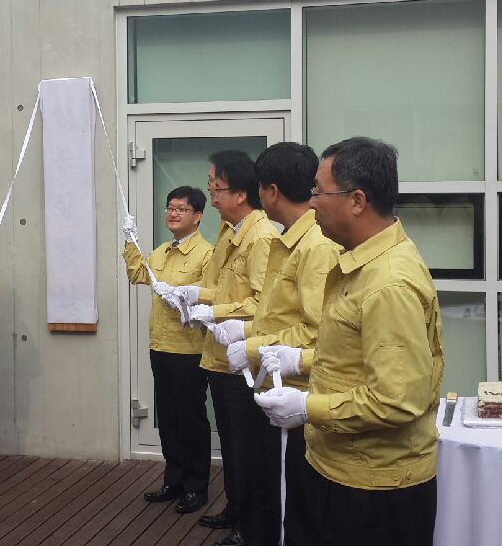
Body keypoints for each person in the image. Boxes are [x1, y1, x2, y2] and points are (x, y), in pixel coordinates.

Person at [255, 137, 444, 546]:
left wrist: (306, 407)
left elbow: (396, 399)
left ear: (357, 200)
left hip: (373, 489)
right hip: (337, 467)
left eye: (319, 192)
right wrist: (299, 360)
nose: (311, 203)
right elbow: (353, 354)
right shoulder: (359, 263)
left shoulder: (388, 283)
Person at [211, 143, 338, 546]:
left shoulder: (315, 246)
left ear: (271, 191)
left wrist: (250, 345)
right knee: (262, 489)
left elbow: (317, 332)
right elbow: (281, 316)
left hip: (295, 398)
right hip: (272, 386)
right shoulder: (290, 240)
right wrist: (246, 331)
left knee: (285, 505)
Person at [157, 150, 279, 546]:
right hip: (219, 357)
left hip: (244, 360)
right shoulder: (230, 230)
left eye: (216, 188)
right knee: (229, 442)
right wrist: (196, 295)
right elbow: (221, 287)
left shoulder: (261, 237)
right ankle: (235, 508)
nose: (211, 197)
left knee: (248, 449)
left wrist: (213, 310)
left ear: (241, 193)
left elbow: (261, 304)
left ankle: (249, 524)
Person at [121, 186, 214, 514]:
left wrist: (182, 294)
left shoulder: (207, 254)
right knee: (170, 418)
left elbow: (212, 295)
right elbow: (137, 273)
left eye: (181, 209)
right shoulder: (161, 252)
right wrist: (130, 241)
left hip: (189, 350)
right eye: (170, 207)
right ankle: (173, 480)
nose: (173, 213)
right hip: (160, 346)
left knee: (191, 419)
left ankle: (196, 486)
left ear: (197, 216)